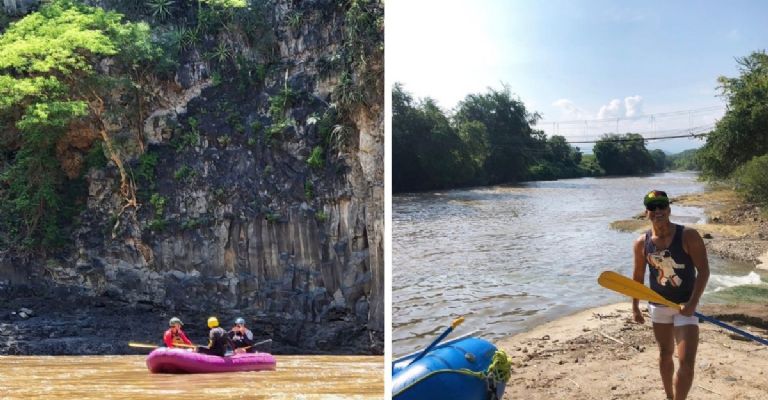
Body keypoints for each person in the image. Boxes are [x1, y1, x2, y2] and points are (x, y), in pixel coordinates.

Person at [632, 190, 710, 400]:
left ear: (669, 209)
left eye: (662, 206)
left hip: (686, 306)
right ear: (646, 212)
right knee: (665, 354)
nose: (658, 211)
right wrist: (635, 307)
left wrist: (693, 303)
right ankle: (668, 395)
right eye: (652, 207)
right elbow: (638, 277)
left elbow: (703, 270)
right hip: (658, 306)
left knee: (686, 361)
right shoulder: (642, 242)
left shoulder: (688, 235)